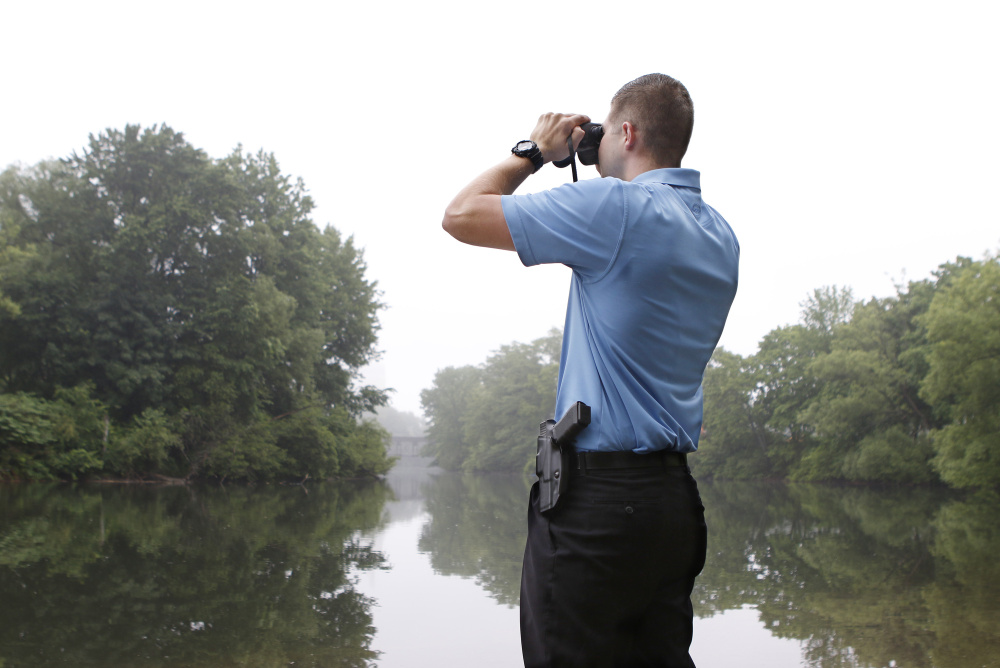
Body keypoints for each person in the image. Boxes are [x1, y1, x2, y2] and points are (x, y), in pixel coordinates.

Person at [442, 73, 739, 668]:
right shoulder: (719, 235)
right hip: (672, 507)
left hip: (599, 507)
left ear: (625, 132)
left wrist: (531, 153)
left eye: (605, 128)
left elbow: (462, 215)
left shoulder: (614, 208)